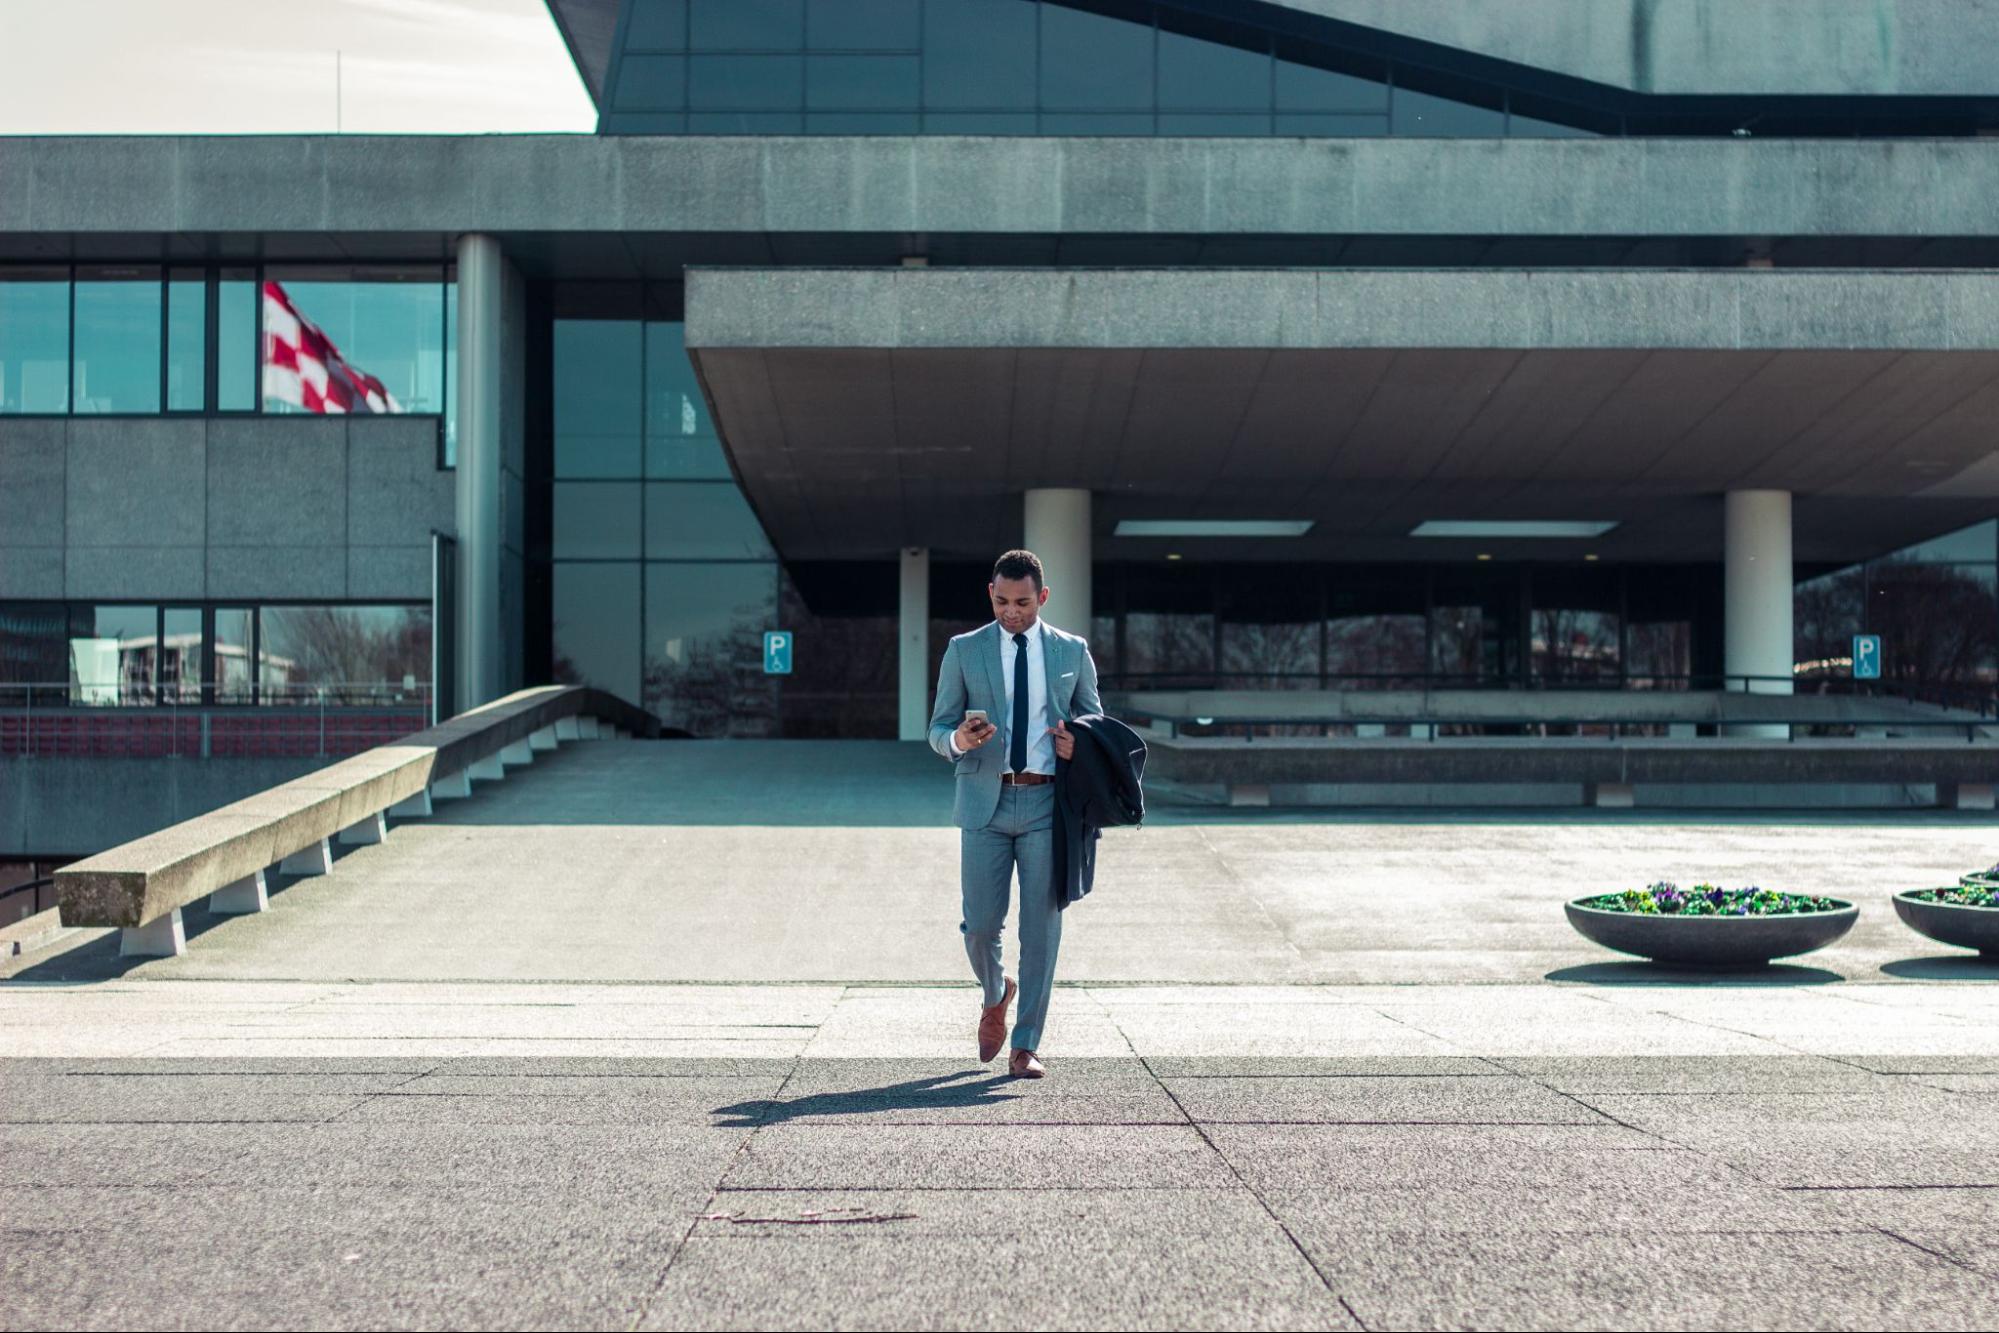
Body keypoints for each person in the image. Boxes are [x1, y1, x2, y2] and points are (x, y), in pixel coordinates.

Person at [927, 549, 1102, 1079]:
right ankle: (995, 990)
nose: (1011, 612)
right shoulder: (964, 650)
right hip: (985, 801)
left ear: (1042, 597)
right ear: (991, 594)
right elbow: (937, 729)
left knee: (1041, 929)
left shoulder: (1072, 650)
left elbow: (1096, 720)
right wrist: (957, 739)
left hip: (1049, 804)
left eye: (1022, 602)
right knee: (980, 927)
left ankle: (1025, 1045)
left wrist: (1081, 744)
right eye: (1002, 601)